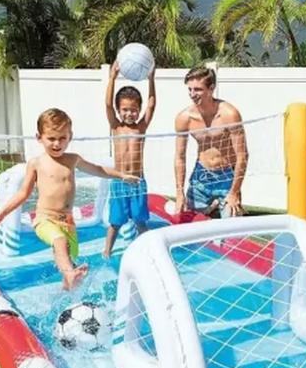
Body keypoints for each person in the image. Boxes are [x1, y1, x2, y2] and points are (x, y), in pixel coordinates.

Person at [0, 108, 139, 290]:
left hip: (68, 222)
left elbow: (98, 170)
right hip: (45, 219)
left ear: (70, 136)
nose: (57, 143)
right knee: (60, 242)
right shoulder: (36, 163)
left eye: (62, 138)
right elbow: (23, 194)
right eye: (51, 138)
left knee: (71, 264)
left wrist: (121, 175)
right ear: (39, 137)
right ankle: (69, 274)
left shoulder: (73, 159)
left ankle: (66, 294)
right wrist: (0, 214)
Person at [173, 66, 249, 217]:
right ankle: (210, 208)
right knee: (190, 223)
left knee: (231, 225)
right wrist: (179, 192)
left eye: (198, 89)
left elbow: (243, 156)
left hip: (226, 176)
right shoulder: (184, 118)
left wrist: (235, 192)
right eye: (190, 89)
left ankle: (218, 207)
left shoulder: (229, 114)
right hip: (201, 176)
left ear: (211, 88)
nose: (192, 94)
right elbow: (179, 157)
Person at [102, 60, 156, 258]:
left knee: (140, 221)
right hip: (119, 182)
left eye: (133, 109)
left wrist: (151, 79)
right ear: (119, 110)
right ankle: (107, 251)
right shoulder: (116, 127)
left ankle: (151, 251)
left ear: (138, 110)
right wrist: (112, 77)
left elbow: (152, 105)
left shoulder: (140, 128)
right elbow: (108, 104)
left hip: (138, 182)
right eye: (124, 109)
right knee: (115, 222)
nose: (129, 113)